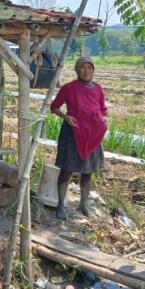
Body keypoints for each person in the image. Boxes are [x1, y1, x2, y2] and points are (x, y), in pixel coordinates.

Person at [50, 55, 107, 220]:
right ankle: (60, 206)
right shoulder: (69, 88)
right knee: (66, 170)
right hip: (72, 133)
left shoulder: (98, 89)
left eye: (89, 68)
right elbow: (54, 107)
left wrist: (103, 119)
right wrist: (66, 117)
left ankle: (83, 204)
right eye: (83, 67)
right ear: (77, 69)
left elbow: (102, 108)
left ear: (93, 70)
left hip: (92, 135)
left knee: (87, 172)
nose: (86, 71)